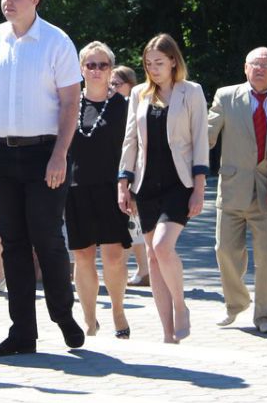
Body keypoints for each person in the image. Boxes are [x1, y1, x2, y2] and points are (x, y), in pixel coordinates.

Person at [0, 0, 85, 357]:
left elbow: (71, 101)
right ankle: (22, 332)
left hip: (44, 153)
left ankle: (62, 314)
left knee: (46, 237)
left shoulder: (57, 41)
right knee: (11, 242)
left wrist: (60, 154)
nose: (7, 1)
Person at [117, 34, 209, 344]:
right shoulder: (139, 94)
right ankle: (168, 332)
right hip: (145, 184)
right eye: (148, 63)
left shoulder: (191, 92)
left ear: (173, 61)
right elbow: (130, 140)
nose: (153, 68)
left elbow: (200, 141)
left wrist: (199, 189)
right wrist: (123, 183)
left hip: (179, 183)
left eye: (159, 62)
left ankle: (181, 306)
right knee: (153, 258)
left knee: (162, 247)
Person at [206, 47, 267, 334]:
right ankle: (236, 303)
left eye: (266, 65)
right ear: (245, 67)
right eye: (255, 64)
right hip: (232, 188)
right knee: (225, 250)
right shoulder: (226, 96)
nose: (260, 69)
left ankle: (266, 316)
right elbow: (207, 134)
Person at [68, 41, 131, 339]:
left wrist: (129, 185)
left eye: (102, 65)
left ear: (111, 69)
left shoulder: (124, 106)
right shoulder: (69, 103)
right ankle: (89, 320)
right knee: (82, 256)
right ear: (81, 69)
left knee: (114, 256)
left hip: (111, 188)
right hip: (75, 188)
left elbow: (134, 149)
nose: (96, 70)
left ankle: (118, 311)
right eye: (90, 65)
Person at [110, 65, 148, 286]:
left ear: (130, 85)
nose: (112, 88)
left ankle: (122, 270)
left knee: (128, 221)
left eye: (116, 84)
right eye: (110, 84)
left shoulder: (132, 106)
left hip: (129, 171)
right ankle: (143, 269)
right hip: (119, 170)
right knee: (132, 223)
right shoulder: (114, 105)